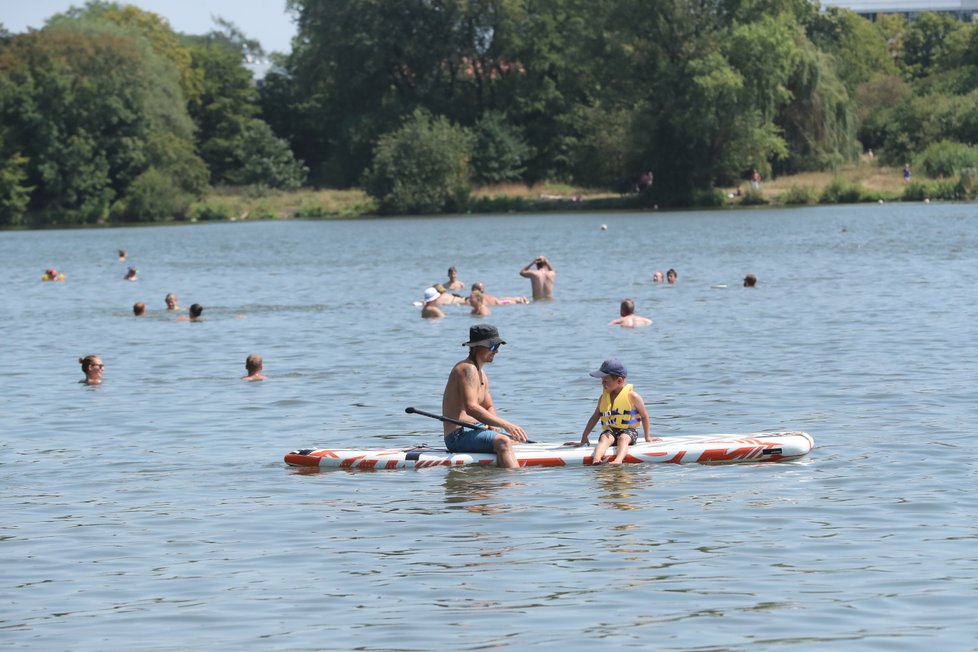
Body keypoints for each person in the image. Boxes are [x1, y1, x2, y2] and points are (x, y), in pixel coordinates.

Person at [442, 324, 529, 468]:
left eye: (497, 346)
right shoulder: (466, 369)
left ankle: (495, 479)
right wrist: (506, 425)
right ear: (477, 347)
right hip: (458, 435)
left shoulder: (481, 373)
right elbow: (471, 408)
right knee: (504, 441)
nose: (497, 351)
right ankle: (513, 485)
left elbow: (488, 406)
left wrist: (493, 424)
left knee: (515, 438)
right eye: (493, 347)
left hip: (477, 430)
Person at [579, 359, 650, 465]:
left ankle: (618, 460)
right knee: (604, 438)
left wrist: (647, 437)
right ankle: (596, 459)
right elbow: (595, 417)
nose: (602, 384)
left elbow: (644, 416)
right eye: (602, 381)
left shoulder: (633, 397)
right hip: (611, 431)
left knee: (623, 438)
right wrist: (585, 436)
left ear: (619, 381)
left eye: (605, 381)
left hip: (629, 432)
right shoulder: (603, 398)